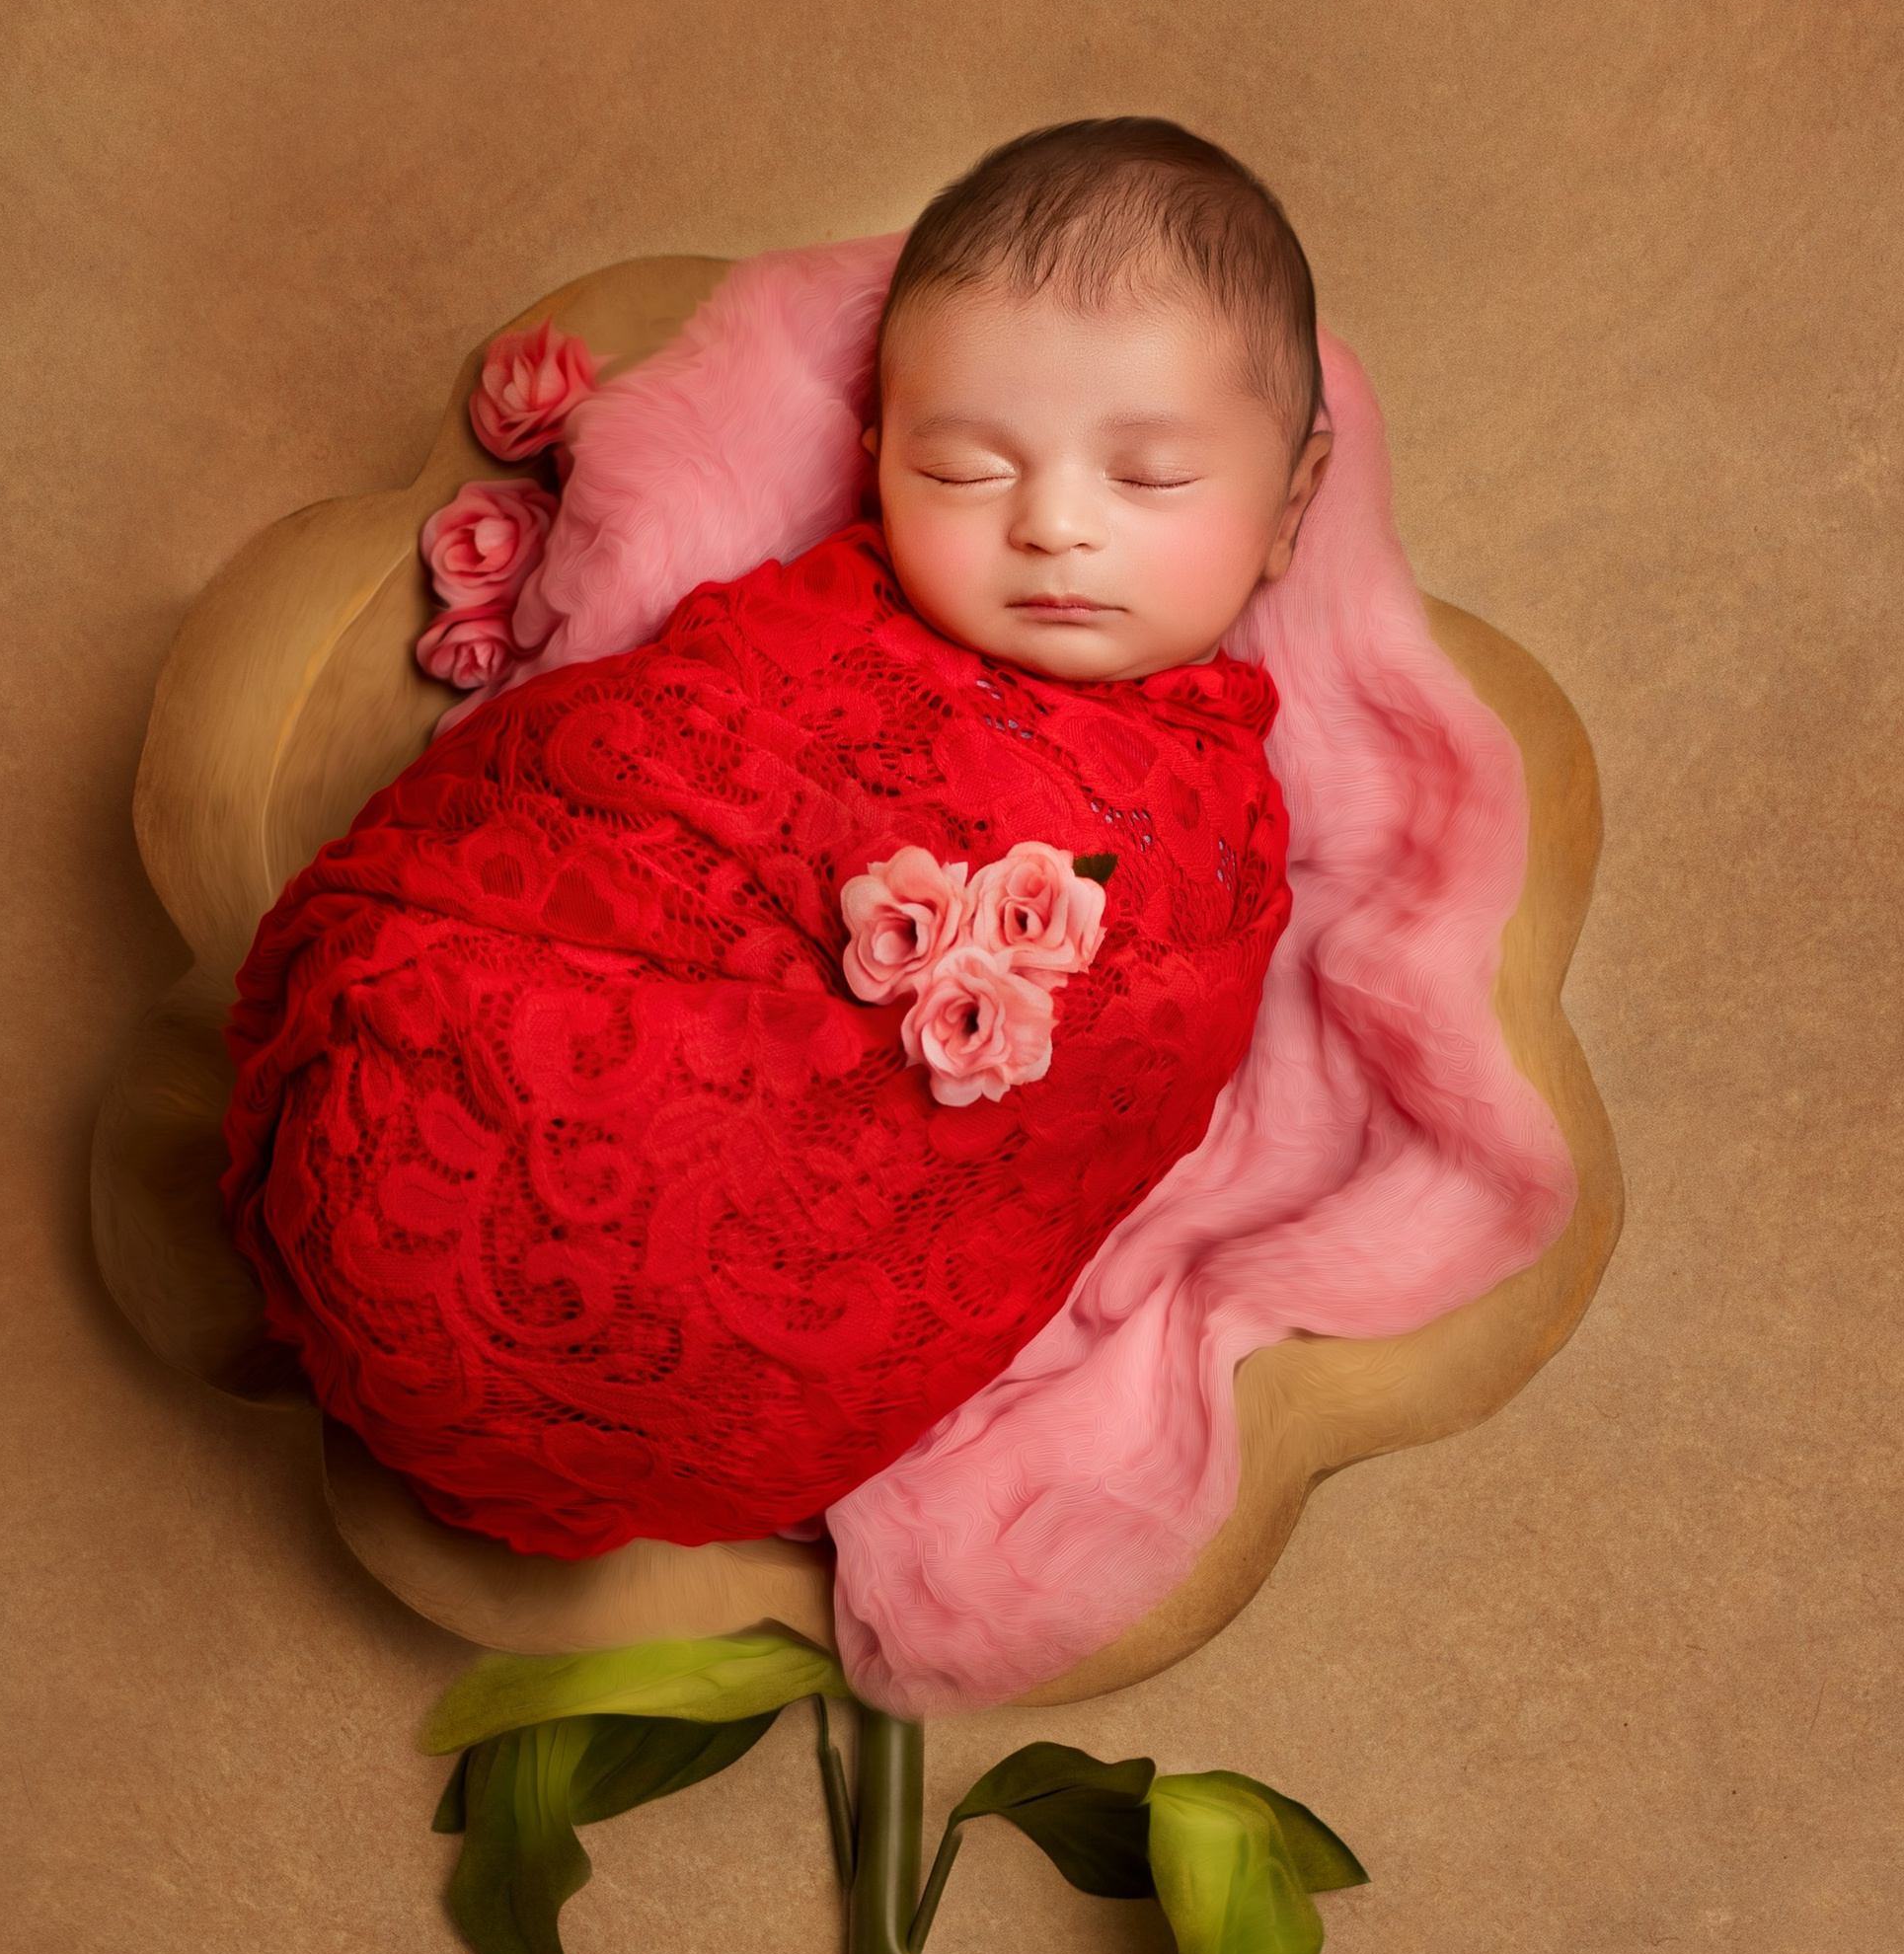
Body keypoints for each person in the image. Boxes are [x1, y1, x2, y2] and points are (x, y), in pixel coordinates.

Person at [221, 121, 1333, 1557]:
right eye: (966, 473)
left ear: (1288, 506)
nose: (1053, 527)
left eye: (1151, 481)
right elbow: (609, 761)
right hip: (474, 1108)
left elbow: (1145, 1048)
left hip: (765, 1335)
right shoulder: (799, 633)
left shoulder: (1211, 819)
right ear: (874, 465)